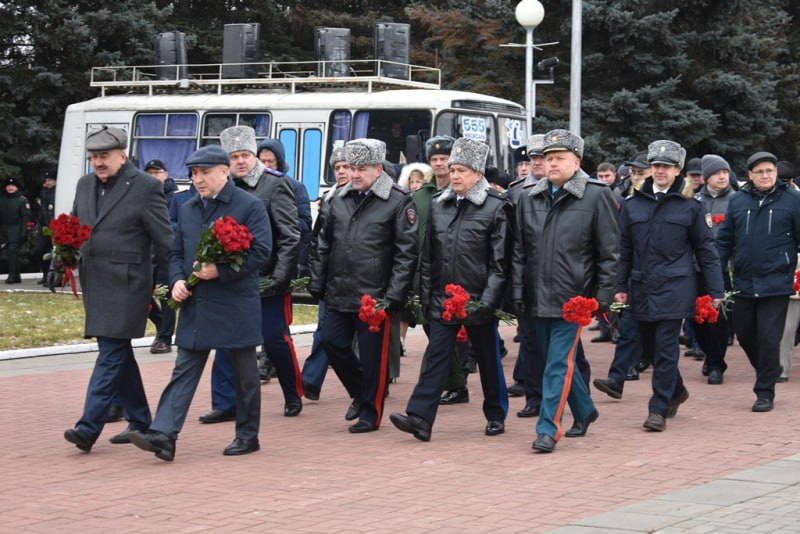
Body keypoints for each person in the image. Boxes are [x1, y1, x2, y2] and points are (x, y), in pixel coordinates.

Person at [127, 145, 273, 461]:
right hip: (197, 303)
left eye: (205, 172)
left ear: (225, 171)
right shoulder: (188, 207)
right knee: (185, 369)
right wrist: (178, 279)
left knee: (245, 373)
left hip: (234, 303)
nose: (198, 179)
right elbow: (176, 252)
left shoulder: (249, 206)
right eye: (194, 173)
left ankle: (248, 436)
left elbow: (261, 252)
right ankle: (164, 434)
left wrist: (218, 270)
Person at [390, 137, 510, 441]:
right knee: (437, 356)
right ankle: (420, 417)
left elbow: (500, 263)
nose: (455, 175)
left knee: (487, 358)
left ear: (478, 174)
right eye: (453, 169)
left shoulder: (496, 208)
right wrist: (430, 297)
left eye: (462, 170)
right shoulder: (439, 206)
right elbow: (428, 257)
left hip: (477, 300)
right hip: (444, 299)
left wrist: (487, 300)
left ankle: (495, 413)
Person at [63, 126, 173, 453]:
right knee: (119, 354)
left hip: (129, 284)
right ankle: (140, 421)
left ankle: (87, 427)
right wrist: (64, 251)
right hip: (96, 283)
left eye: (104, 157)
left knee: (110, 353)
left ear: (121, 156)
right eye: (94, 157)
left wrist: (178, 277)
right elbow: (75, 224)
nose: (98, 163)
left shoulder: (145, 187)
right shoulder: (85, 185)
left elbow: (164, 238)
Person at [512, 129, 619, 453]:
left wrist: (600, 298)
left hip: (574, 299)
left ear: (577, 161)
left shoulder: (597, 196)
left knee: (558, 364)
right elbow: (519, 250)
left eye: (559, 158)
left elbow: (609, 253)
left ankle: (548, 429)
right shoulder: (529, 197)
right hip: (536, 296)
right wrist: (517, 291)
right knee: (553, 363)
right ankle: (584, 410)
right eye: (548, 158)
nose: (551, 163)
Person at [308, 138, 418, 433]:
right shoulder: (337, 199)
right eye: (352, 168)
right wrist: (317, 281)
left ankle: (370, 412)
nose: (355, 174)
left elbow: (406, 252)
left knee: (372, 358)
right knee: (332, 344)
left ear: (379, 169)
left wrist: (393, 295)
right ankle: (362, 393)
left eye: (362, 169)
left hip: (375, 295)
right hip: (339, 289)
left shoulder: (397, 200)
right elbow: (323, 244)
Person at [616, 140, 723, 432]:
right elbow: (625, 249)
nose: (660, 170)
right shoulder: (633, 203)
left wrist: (715, 291)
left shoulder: (689, 206)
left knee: (666, 350)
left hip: (676, 288)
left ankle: (657, 410)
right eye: (656, 165)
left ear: (678, 170)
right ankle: (676, 391)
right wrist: (620, 284)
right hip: (641, 286)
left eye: (666, 166)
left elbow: (706, 250)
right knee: (648, 350)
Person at [199, 126, 303, 423]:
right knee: (225, 339)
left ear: (254, 156)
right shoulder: (223, 188)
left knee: (274, 338)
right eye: (234, 157)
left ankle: (292, 392)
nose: (240, 161)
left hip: (268, 277)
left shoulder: (274, 185)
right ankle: (224, 402)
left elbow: (289, 235)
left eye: (245, 155)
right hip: (231, 277)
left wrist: (280, 277)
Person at [716, 151, 800, 412]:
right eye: (760, 171)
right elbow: (725, 239)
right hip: (744, 280)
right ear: (750, 175)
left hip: (776, 281)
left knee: (768, 337)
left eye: (770, 171)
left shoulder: (793, 200)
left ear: (776, 173)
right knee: (744, 334)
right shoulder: (739, 200)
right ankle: (768, 368)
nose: (766, 175)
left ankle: (764, 391)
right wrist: (715, 271)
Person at [413, 136, 470, 405]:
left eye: (444, 159)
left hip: (455, 273)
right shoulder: (421, 195)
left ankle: (431, 390)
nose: (439, 163)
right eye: (434, 159)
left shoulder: (464, 193)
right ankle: (456, 383)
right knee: (432, 330)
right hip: (425, 272)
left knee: (444, 334)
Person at [301, 146, 351, 400]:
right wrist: (314, 271)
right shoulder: (330, 197)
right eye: (337, 167)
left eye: (345, 166)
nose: (341, 171)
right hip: (331, 277)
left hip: (360, 279)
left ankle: (372, 379)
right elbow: (317, 238)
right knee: (325, 329)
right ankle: (310, 380)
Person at [506, 134, 546, 416]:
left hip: (560, 277)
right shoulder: (517, 191)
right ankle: (534, 396)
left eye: (542, 157)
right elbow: (510, 239)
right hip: (526, 275)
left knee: (564, 345)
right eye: (533, 158)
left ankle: (578, 392)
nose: (537, 163)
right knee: (530, 340)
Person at [693, 154, 736, 384]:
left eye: (725, 172)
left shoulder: (736, 200)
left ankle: (717, 363)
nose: (722, 176)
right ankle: (709, 355)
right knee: (696, 318)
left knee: (719, 319)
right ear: (707, 177)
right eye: (717, 173)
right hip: (696, 268)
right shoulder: (694, 200)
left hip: (722, 269)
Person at [257, 139, 312, 278]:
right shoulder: (251, 185)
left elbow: (305, 225)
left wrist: (280, 224)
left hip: (280, 257)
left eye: (271, 161)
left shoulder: (295, 186)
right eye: (262, 161)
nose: (266, 166)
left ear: (279, 162)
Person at [144, 159, 177, 354]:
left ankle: (164, 338)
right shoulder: (141, 195)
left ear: (166, 174)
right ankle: (160, 324)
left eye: (157, 173)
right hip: (145, 255)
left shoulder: (175, 197)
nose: (153, 177)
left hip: (165, 255)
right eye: (149, 173)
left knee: (165, 296)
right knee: (141, 297)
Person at [0, 177, 32, 284]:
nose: (10, 188)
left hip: (16, 231)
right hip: (4, 231)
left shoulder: (22, 200)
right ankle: (16, 276)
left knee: (12, 253)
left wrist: (24, 232)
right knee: (11, 254)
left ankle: (12, 276)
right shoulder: (2, 199)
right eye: (8, 186)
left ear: (17, 187)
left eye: (13, 186)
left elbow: (26, 217)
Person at [34, 169, 57, 284]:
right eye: (46, 180)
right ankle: (45, 274)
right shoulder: (43, 192)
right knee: (41, 250)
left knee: (54, 252)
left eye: (50, 180)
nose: (47, 182)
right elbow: (42, 211)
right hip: (44, 226)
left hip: (54, 226)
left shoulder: (59, 192)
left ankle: (54, 277)